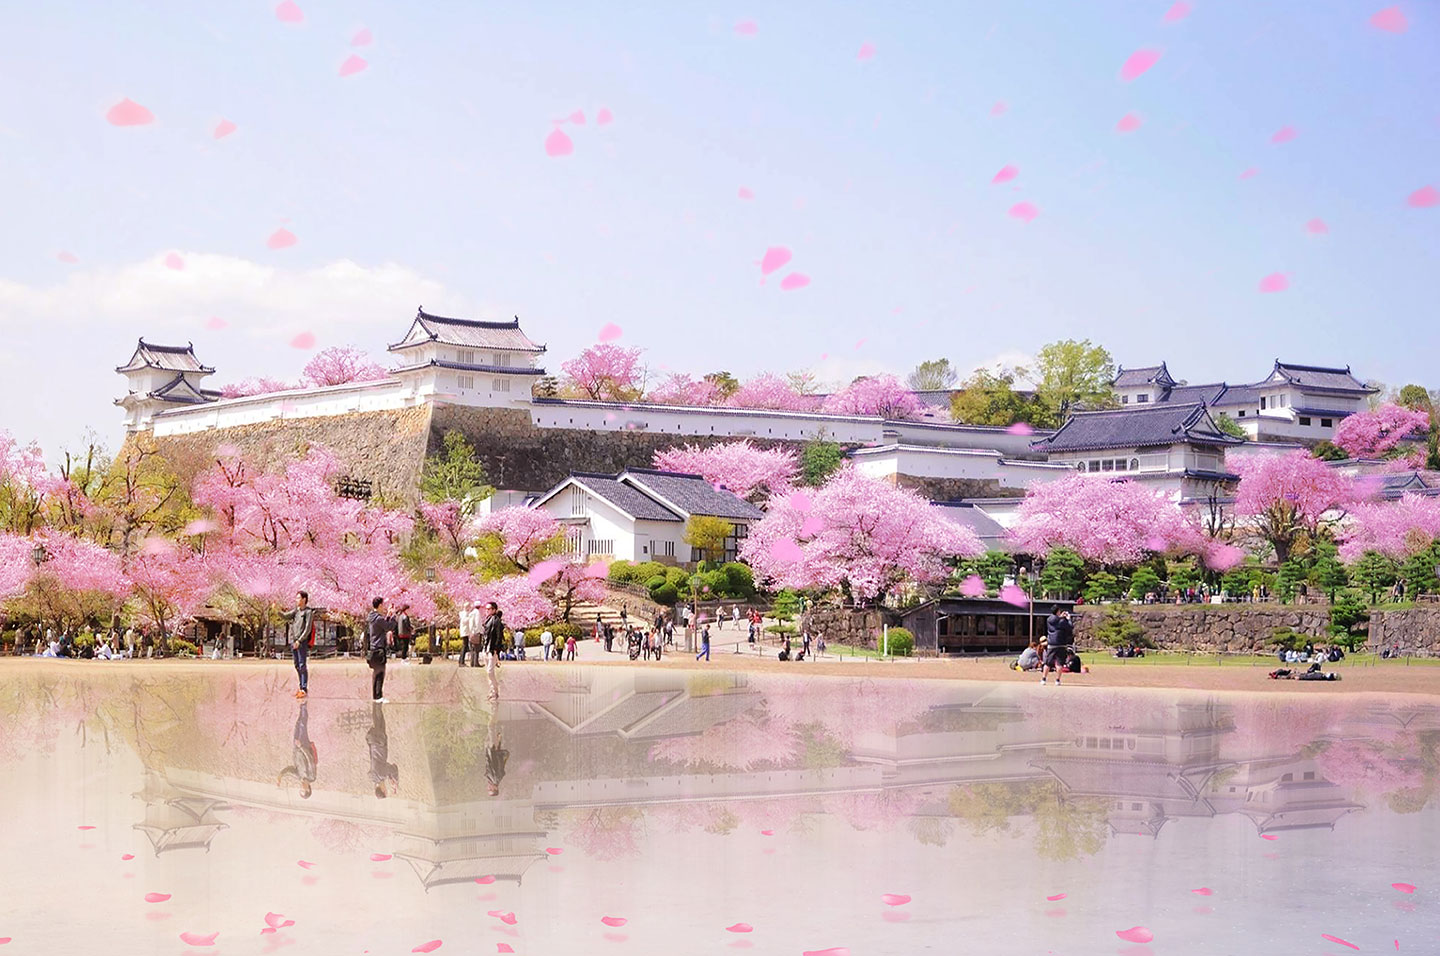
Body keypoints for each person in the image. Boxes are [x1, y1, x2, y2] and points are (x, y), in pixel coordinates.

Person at [280, 591, 316, 700]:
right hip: (294, 641)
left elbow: (307, 628)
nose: (296, 600)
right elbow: (286, 616)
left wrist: (299, 641)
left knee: (302, 664)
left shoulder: (308, 612)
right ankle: (301, 687)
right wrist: (276, 610)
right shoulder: (296, 611)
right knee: (296, 665)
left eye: (298, 598)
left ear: (304, 599)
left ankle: (303, 688)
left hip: (301, 642)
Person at [277, 702, 317, 799]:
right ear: (308, 789)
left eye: (301, 790)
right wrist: (301, 747)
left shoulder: (300, 777)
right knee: (303, 725)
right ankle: (304, 703)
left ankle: (302, 706)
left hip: (296, 747)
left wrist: (280, 776)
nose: (301, 788)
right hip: (303, 745)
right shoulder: (311, 776)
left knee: (298, 725)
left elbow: (290, 771)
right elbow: (309, 759)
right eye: (303, 790)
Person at [367, 701, 398, 799]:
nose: (386, 788)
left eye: (386, 790)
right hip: (373, 742)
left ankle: (377, 699)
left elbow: (393, 768)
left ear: (383, 790)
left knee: (380, 719)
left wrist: (395, 781)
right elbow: (386, 767)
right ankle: (376, 701)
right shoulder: (373, 777)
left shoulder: (381, 775)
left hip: (380, 743)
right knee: (377, 719)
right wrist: (390, 777)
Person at [366, 596, 394, 703]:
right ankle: (378, 696)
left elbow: (383, 624)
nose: (384, 607)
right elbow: (389, 626)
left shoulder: (372, 617)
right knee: (380, 672)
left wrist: (388, 616)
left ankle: (376, 696)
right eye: (383, 605)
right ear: (380, 605)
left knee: (376, 673)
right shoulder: (378, 618)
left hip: (373, 648)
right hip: (379, 649)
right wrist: (393, 616)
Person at [1041, 609, 1074, 685]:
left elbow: (1055, 620)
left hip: (1051, 643)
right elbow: (1070, 627)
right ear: (1058, 612)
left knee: (1048, 663)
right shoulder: (1062, 621)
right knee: (1059, 663)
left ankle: (1043, 679)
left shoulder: (1049, 620)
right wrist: (1068, 619)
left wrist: (1060, 617)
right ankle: (1057, 680)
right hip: (1061, 644)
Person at [481, 601, 505, 699]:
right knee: (488, 671)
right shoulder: (487, 620)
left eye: (489, 609)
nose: (487, 611)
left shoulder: (497, 621)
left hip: (492, 650)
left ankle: (495, 691)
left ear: (494, 610)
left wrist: (496, 650)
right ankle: (492, 691)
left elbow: (499, 637)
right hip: (485, 649)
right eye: (486, 609)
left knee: (490, 671)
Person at [459, 601, 481, 666]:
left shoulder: (468, 613)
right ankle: (461, 661)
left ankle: (461, 661)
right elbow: (464, 621)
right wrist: (470, 617)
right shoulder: (464, 613)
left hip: (467, 632)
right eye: (468, 606)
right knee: (465, 646)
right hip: (465, 632)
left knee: (466, 646)